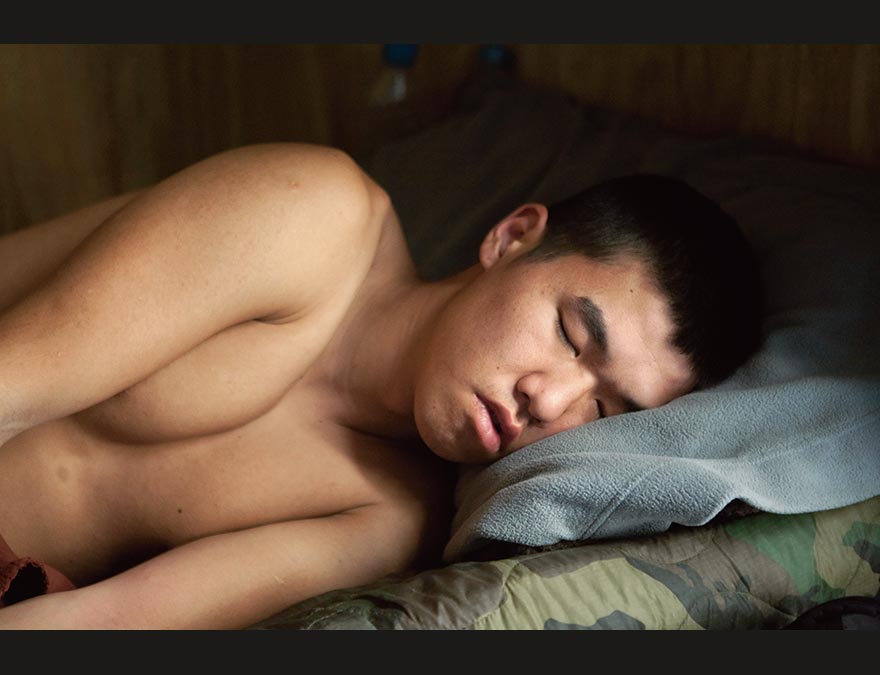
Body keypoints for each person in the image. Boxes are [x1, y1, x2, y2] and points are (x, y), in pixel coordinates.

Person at [0, 142, 762, 629]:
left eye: (604, 408)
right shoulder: (317, 217)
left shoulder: (394, 518)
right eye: (569, 333)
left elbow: (96, 625)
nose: (550, 400)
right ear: (511, 237)